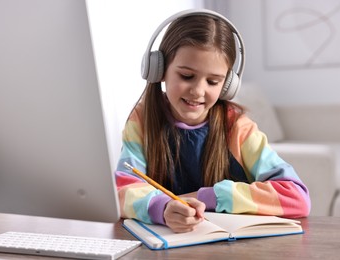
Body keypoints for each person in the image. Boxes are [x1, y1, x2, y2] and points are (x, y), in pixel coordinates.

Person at [115, 9, 311, 233]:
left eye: (213, 81)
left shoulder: (237, 127)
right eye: (186, 76)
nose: (198, 91)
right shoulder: (141, 120)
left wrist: (209, 196)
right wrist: (164, 207)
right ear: (159, 69)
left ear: (227, 85)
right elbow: (122, 190)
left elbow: (296, 197)